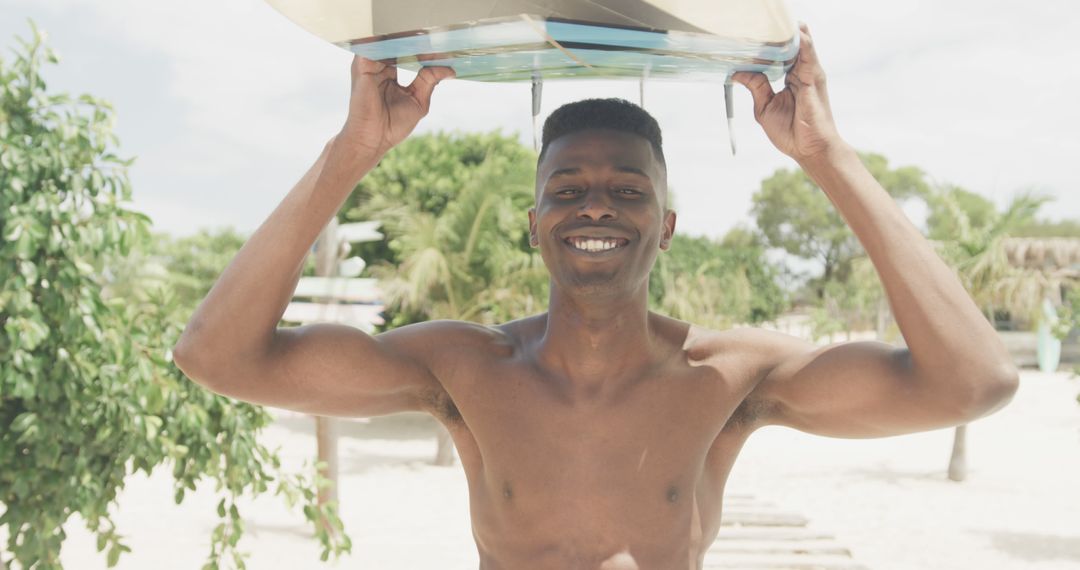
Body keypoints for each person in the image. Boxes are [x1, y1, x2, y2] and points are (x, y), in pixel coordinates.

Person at [173, 23, 1018, 570]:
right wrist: (354, 150)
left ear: (667, 222)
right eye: (568, 189)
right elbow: (214, 356)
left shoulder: (730, 378)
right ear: (534, 222)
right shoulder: (465, 370)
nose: (597, 206)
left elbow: (974, 382)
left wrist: (826, 154)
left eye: (627, 189)